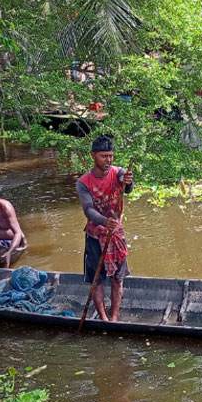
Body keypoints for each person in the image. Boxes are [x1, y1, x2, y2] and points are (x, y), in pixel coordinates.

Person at [77, 136, 133, 322]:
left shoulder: (118, 173)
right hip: (95, 235)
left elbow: (127, 188)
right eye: (103, 156)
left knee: (117, 279)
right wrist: (103, 221)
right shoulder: (84, 182)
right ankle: (103, 317)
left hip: (116, 233)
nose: (108, 160)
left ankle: (114, 317)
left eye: (110, 156)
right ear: (93, 155)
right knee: (97, 280)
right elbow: (88, 210)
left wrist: (129, 181)